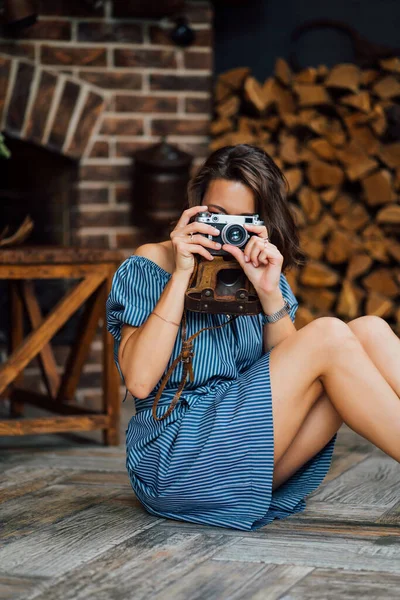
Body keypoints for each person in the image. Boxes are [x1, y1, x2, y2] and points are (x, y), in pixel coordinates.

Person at [106, 143, 400, 531]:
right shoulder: (152, 263)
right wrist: (181, 275)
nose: (226, 233)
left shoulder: (262, 269)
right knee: (329, 333)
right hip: (175, 457)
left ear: (260, 222)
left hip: (246, 447)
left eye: (241, 222)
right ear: (194, 208)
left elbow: (301, 377)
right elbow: (140, 381)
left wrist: (269, 293)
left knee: (369, 330)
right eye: (215, 216)